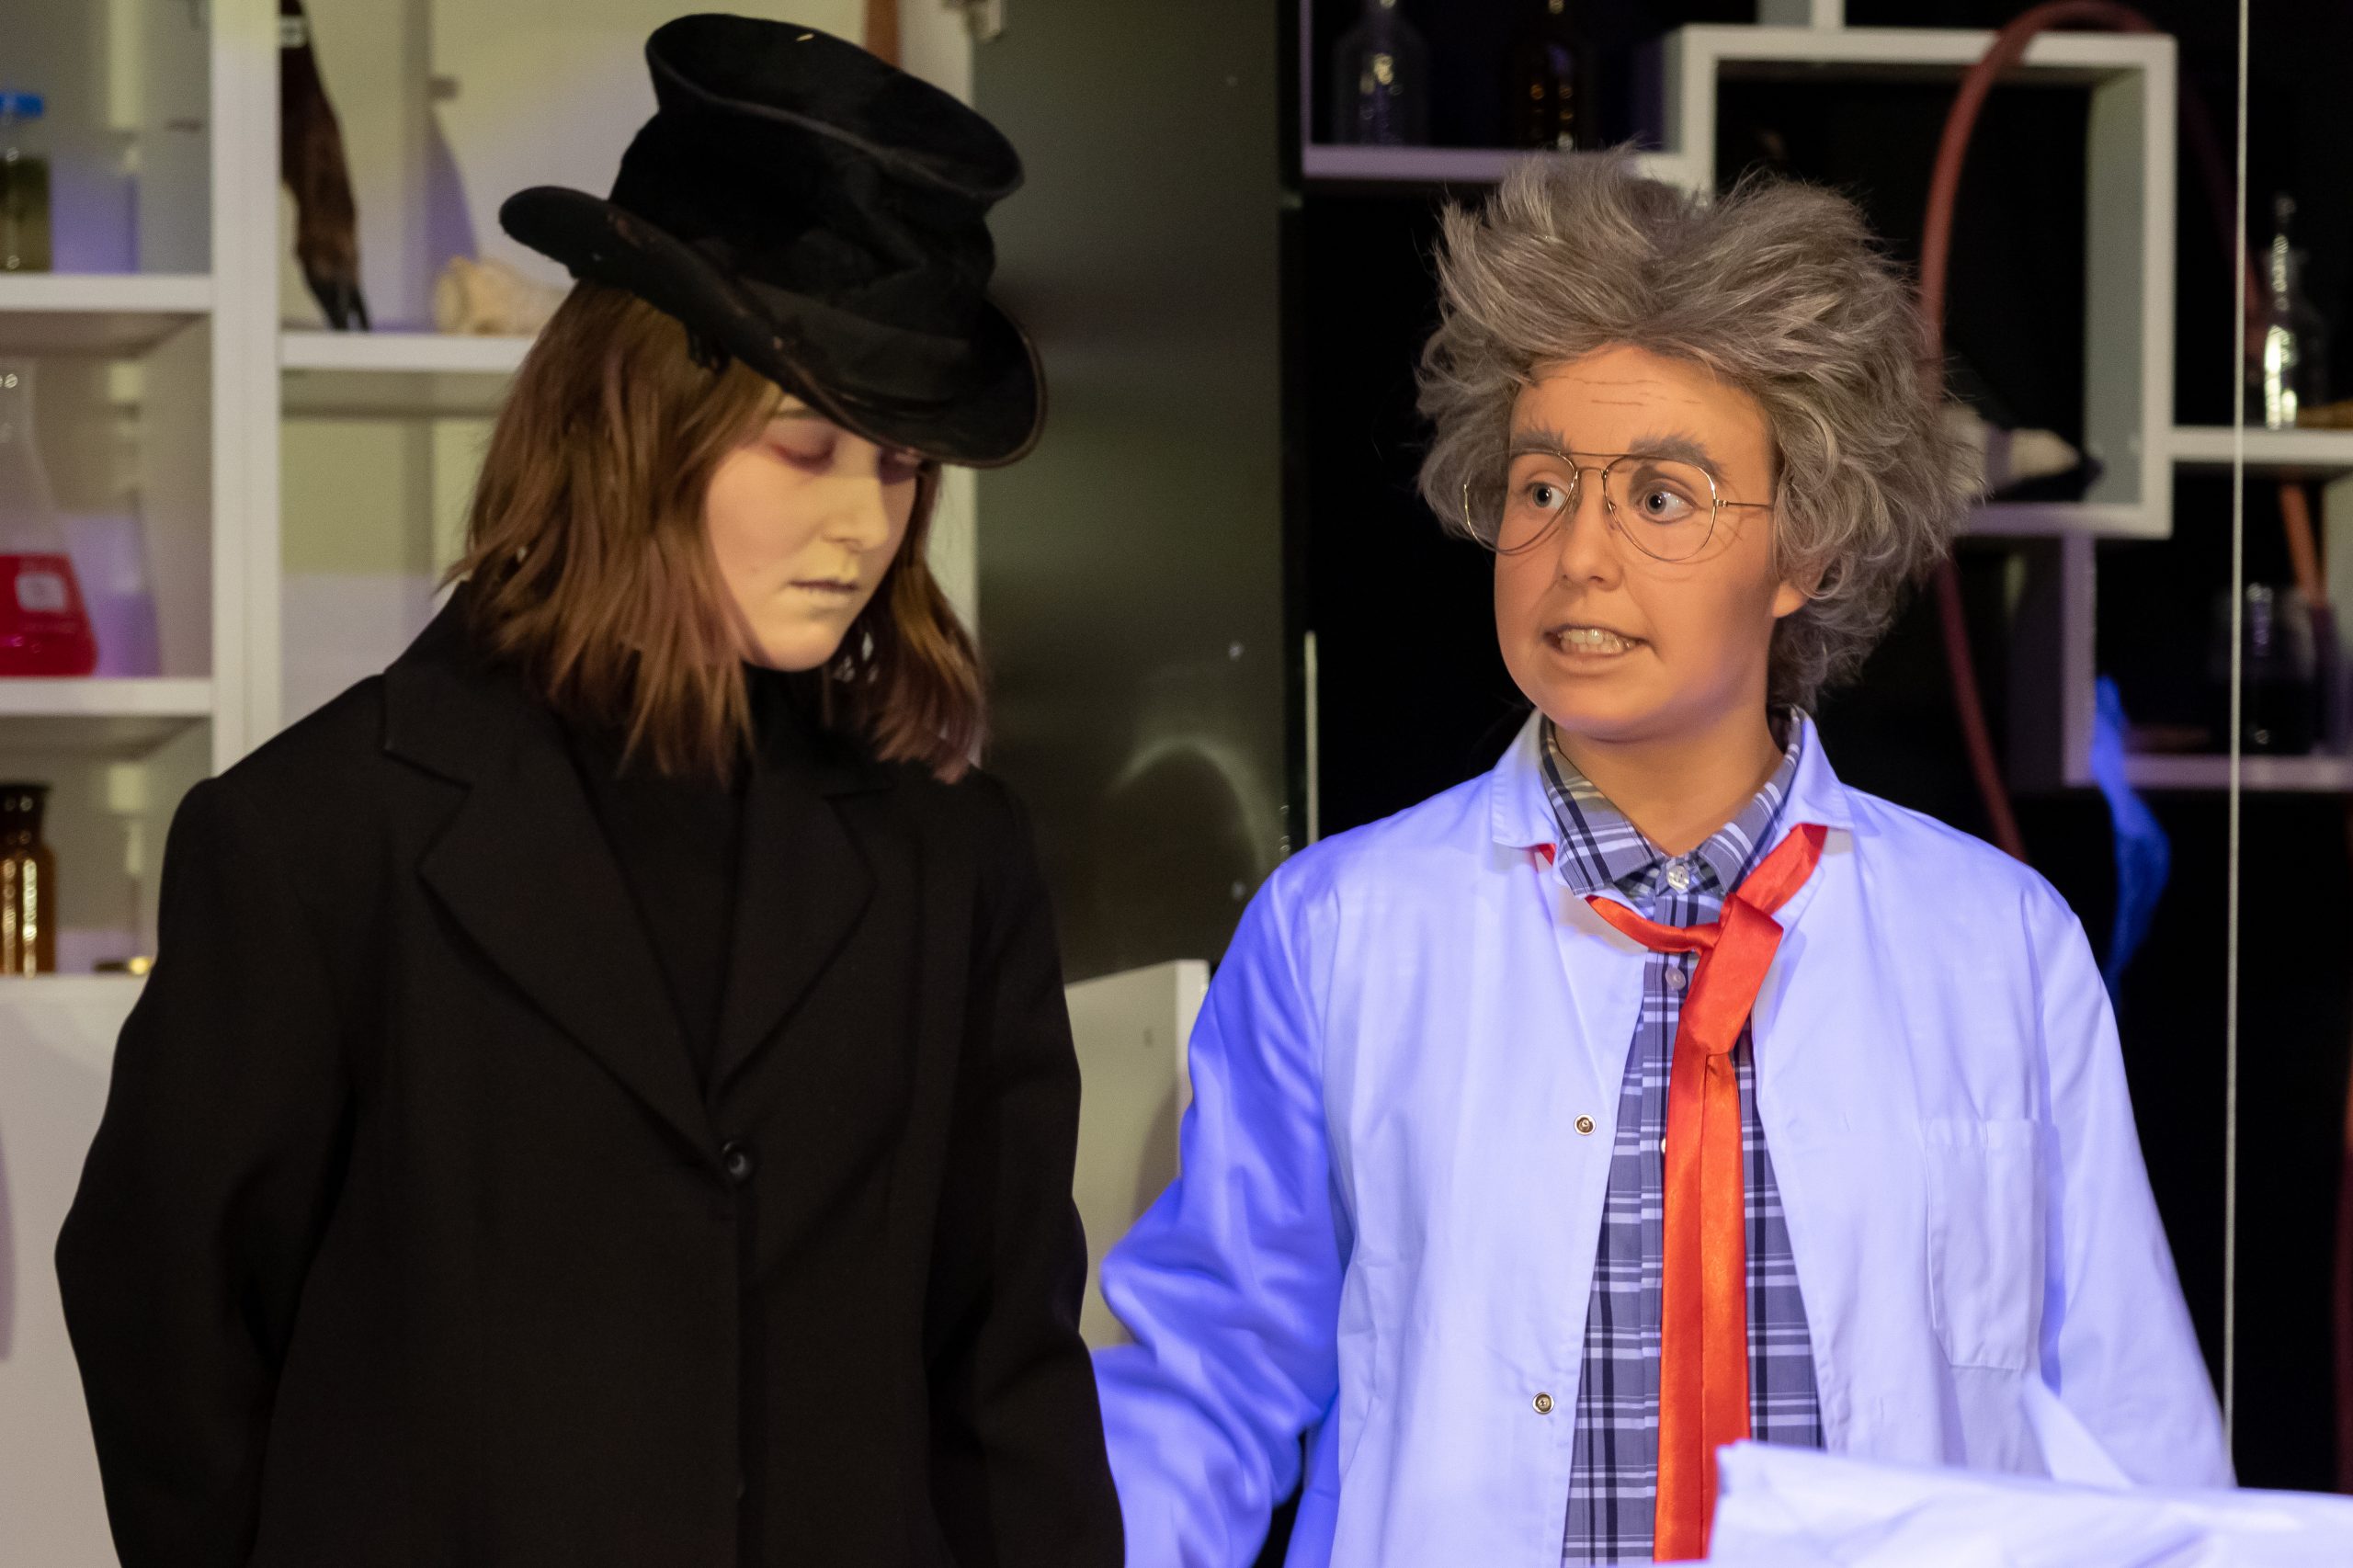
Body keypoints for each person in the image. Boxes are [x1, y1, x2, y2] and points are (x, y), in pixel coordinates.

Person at [56, 18, 1120, 1568]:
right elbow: (164, 1313)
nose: (863, 523)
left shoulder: (954, 860)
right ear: (634, 420)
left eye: (898, 467)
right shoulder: (316, 837)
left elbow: (1005, 1375)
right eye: (805, 447)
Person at [1092, 154, 2228, 1568]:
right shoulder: (1341, 931)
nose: (1580, 555)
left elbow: (2129, 1441)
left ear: (1805, 546)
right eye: (1542, 487)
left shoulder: (2000, 944)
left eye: (1663, 497)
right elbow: (1205, 1386)